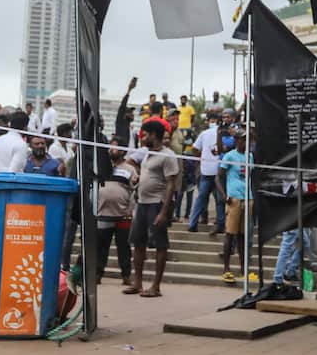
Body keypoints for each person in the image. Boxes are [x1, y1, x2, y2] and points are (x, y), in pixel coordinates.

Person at [124, 120, 178, 297]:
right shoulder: (147, 153)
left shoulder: (168, 156)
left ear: (154, 135)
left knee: (160, 244)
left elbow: (171, 184)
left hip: (157, 204)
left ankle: (156, 286)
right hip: (142, 203)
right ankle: (137, 283)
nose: (143, 138)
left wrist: (164, 212)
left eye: (145, 135)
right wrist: (139, 179)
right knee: (138, 243)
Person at [96, 137, 136, 284]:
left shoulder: (130, 169)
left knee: (124, 247)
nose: (112, 150)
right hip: (103, 213)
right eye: (110, 147)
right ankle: (97, 274)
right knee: (101, 246)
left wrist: (130, 210)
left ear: (123, 151)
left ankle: (126, 276)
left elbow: (134, 191)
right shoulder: (100, 167)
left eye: (116, 147)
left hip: (123, 215)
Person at [215, 130, 250, 284]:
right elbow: (218, 177)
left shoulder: (250, 156)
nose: (245, 142)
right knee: (230, 234)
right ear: (236, 140)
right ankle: (226, 269)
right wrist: (224, 195)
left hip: (248, 198)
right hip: (234, 198)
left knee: (243, 236)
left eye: (247, 139)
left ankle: (243, 269)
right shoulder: (229, 156)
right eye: (242, 139)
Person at [188, 115, 226, 235]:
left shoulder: (204, 133)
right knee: (219, 200)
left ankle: (192, 223)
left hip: (206, 171)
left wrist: (202, 157)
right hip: (218, 173)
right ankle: (221, 225)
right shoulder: (225, 135)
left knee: (201, 198)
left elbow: (194, 148)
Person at [114, 77, 137, 143]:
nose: (132, 114)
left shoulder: (131, 129)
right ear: (124, 114)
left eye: (132, 112)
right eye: (130, 112)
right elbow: (123, 105)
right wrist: (129, 89)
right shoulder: (120, 121)